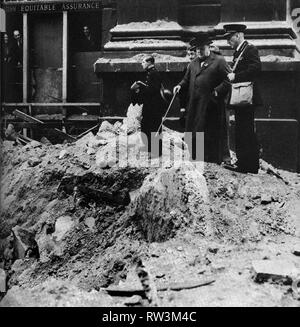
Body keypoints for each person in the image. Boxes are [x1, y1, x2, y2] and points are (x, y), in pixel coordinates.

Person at [173, 33, 231, 163]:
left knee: (209, 129)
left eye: (201, 49)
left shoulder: (219, 61)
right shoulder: (193, 63)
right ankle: (197, 156)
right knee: (195, 128)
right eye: (197, 49)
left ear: (208, 47)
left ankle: (213, 159)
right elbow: (186, 79)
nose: (199, 51)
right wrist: (179, 86)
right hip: (195, 103)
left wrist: (217, 92)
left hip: (212, 104)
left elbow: (229, 80)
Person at [223, 24, 262, 174]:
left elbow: (256, 68)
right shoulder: (240, 51)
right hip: (241, 96)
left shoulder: (250, 49)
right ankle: (245, 163)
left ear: (238, 35)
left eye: (229, 37)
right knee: (242, 130)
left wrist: (236, 76)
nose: (228, 41)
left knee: (245, 130)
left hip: (247, 97)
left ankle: (249, 165)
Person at [131, 55, 166, 157]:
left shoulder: (154, 73)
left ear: (149, 62)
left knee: (154, 127)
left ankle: (155, 151)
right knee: (146, 125)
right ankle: (149, 147)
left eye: (143, 62)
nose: (142, 64)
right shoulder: (150, 73)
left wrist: (139, 86)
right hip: (150, 105)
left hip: (154, 106)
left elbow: (153, 90)